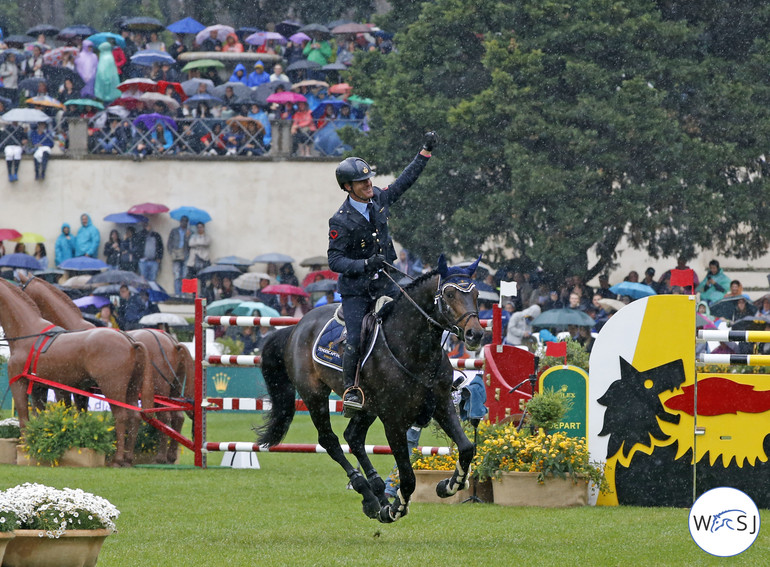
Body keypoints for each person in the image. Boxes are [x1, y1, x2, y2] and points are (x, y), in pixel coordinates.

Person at [328, 130, 437, 414]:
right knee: (354, 339)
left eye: (369, 178)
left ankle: (430, 374)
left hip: (388, 280)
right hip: (357, 290)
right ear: (348, 187)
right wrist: (364, 265)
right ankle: (352, 390)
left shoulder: (378, 198)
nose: (369, 183)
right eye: (362, 181)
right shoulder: (340, 220)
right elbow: (335, 261)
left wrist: (424, 153)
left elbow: (404, 182)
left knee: (422, 312)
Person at [167, 215, 191, 296]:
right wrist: (171, 252)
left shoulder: (189, 232)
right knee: (177, 275)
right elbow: (169, 242)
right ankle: (177, 293)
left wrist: (187, 237)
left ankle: (184, 294)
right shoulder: (174, 231)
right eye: (182, 221)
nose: (183, 223)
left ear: (187, 223)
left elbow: (190, 245)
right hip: (176, 255)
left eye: (185, 221)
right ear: (180, 221)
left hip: (185, 255)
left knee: (185, 275)